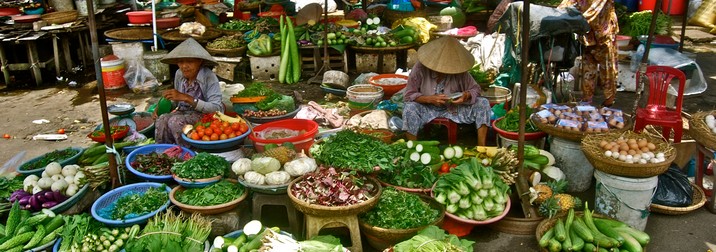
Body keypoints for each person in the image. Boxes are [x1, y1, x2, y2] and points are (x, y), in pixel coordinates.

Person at [402, 36, 491, 146]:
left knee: (483, 103)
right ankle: (413, 147)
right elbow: (409, 95)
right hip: (426, 108)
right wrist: (430, 99)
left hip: (453, 109)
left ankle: (481, 147)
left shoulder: (459, 70)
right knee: (409, 108)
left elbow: (476, 88)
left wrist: (466, 95)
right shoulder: (420, 68)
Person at [154, 38, 224, 147]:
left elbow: (216, 108)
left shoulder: (208, 76)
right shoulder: (179, 74)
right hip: (184, 112)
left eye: (190, 61)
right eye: (181, 62)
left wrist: (187, 98)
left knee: (175, 121)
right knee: (162, 119)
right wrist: (162, 106)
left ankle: (188, 153)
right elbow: (177, 103)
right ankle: (165, 151)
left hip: (205, 116)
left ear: (199, 61)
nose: (184, 66)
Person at [559, 0, 619, 106]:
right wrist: (557, 13)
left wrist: (571, 19)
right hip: (587, 34)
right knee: (588, 67)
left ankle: (609, 98)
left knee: (608, 68)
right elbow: (568, 3)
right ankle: (587, 99)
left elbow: (593, 10)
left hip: (604, 33)